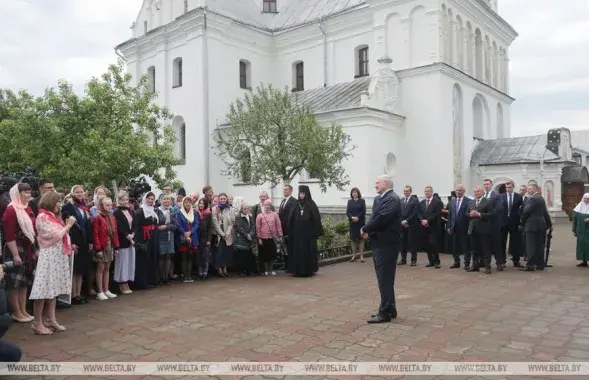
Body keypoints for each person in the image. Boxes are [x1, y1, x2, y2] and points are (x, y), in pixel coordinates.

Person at [30, 191, 75, 334]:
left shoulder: (53, 217)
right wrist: (68, 225)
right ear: (50, 202)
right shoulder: (42, 217)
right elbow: (56, 235)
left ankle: (51, 319)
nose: (59, 205)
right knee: (43, 289)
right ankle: (37, 323)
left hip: (57, 256)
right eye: (57, 202)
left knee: (53, 289)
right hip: (48, 256)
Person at [360, 175, 401, 324]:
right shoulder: (380, 199)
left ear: (386, 183)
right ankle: (390, 307)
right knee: (385, 278)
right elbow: (374, 217)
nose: (375, 184)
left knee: (385, 277)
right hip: (379, 242)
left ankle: (385, 312)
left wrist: (365, 228)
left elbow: (382, 218)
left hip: (387, 243)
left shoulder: (392, 199)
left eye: (378, 182)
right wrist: (368, 230)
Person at [2, 183, 36, 323]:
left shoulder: (27, 208)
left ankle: (23, 310)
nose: (29, 194)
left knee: (24, 282)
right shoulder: (11, 210)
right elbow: (9, 235)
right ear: (17, 193)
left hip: (27, 248)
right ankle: (16, 312)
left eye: (29, 192)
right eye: (25, 192)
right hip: (15, 248)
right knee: (14, 283)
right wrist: (15, 254)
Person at [61, 185, 93, 305]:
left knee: (81, 270)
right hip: (75, 241)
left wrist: (90, 241)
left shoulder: (84, 207)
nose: (80, 194)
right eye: (77, 192)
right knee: (74, 269)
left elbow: (88, 225)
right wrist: (71, 242)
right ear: (73, 193)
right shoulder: (67, 207)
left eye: (81, 192)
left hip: (84, 240)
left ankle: (78, 293)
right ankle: (72, 295)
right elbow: (67, 225)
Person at [287, 185, 323, 277]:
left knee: (307, 251)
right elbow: (291, 218)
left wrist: (315, 231)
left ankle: (308, 270)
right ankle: (297, 270)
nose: (301, 195)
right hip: (297, 233)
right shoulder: (295, 204)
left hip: (308, 234)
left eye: (303, 194)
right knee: (297, 251)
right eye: (300, 194)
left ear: (306, 194)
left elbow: (316, 218)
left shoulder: (311, 204)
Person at [92, 197, 119, 300]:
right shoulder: (97, 218)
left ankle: (106, 289)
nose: (109, 207)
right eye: (106, 205)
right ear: (101, 206)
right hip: (102, 246)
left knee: (107, 268)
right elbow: (95, 235)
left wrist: (117, 246)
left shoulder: (112, 217)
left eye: (110, 205)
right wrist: (98, 249)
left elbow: (115, 233)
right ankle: (100, 291)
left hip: (110, 246)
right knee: (100, 269)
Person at [520, 184, 550, 272]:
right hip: (541, 224)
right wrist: (549, 224)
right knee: (539, 245)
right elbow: (545, 212)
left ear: (534, 189)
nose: (527, 191)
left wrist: (522, 222)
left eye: (529, 189)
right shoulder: (541, 198)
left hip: (531, 225)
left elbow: (526, 211)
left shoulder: (532, 198)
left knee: (531, 246)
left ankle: (530, 265)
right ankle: (540, 264)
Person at [133, 192, 160, 289]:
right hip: (143, 239)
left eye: (152, 199)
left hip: (152, 237)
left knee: (151, 259)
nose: (150, 201)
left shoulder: (153, 211)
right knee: (143, 260)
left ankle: (150, 280)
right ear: (145, 199)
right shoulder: (139, 212)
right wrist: (138, 241)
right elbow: (136, 227)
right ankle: (142, 283)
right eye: (149, 198)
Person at [467, 186, 495, 274]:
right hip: (473, 229)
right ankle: (475, 265)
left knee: (485, 249)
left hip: (484, 229)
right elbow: (466, 213)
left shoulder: (488, 201)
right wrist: (470, 214)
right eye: (474, 192)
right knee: (474, 249)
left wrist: (479, 214)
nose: (476, 193)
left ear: (482, 192)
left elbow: (491, 214)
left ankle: (487, 266)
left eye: (478, 191)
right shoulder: (471, 202)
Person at [113, 193, 135, 294]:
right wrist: (126, 235)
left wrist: (133, 233)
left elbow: (134, 224)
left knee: (129, 262)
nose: (126, 202)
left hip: (130, 240)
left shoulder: (130, 211)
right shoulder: (116, 212)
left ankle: (127, 281)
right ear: (119, 201)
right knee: (122, 262)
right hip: (122, 241)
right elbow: (119, 227)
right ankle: (121, 281)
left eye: (127, 200)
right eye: (123, 200)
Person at [417, 186, 443, 268]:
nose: (426, 193)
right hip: (424, 226)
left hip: (433, 226)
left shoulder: (437, 202)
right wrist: (422, 220)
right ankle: (430, 261)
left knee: (433, 243)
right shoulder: (421, 203)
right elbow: (419, 213)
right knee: (427, 244)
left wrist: (428, 221)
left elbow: (437, 213)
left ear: (431, 192)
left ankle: (437, 261)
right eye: (425, 191)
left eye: (428, 191)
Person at [256, 199, 283, 276]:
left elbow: (278, 225)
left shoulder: (275, 214)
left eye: (268, 205)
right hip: (263, 238)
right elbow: (258, 227)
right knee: (264, 255)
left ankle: (271, 269)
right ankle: (265, 270)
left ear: (270, 206)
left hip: (273, 237)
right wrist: (259, 238)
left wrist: (280, 235)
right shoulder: (259, 216)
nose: (267, 206)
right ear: (263, 206)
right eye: (265, 205)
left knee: (272, 254)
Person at [177, 196, 199, 283]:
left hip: (193, 236)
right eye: (186, 202)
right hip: (183, 237)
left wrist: (191, 232)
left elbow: (196, 223)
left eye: (189, 202)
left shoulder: (194, 212)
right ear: (183, 203)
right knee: (184, 256)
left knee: (190, 256)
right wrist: (185, 234)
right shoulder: (179, 212)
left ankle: (189, 275)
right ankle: (184, 276)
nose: (188, 203)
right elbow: (178, 224)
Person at [501, 181, 524, 267]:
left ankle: (516, 261)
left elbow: (521, 210)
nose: (508, 189)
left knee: (515, 242)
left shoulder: (518, 197)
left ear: (513, 187)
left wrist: (520, 222)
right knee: (502, 242)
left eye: (509, 187)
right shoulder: (501, 196)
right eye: (506, 188)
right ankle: (502, 261)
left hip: (515, 223)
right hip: (503, 223)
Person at [447, 185, 469, 269]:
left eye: (460, 190)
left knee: (465, 247)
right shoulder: (452, 201)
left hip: (464, 228)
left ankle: (466, 263)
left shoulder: (468, 201)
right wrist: (449, 226)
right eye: (457, 190)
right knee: (454, 247)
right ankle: (456, 262)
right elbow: (450, 215)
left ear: (464, 191)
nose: (458, 192)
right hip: (453, 228)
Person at [156, 195, 177, 284]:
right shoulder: (156, 210)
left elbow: (175, 225)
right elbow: (155, 224)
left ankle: (166, 278)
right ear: (161, 200)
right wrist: (159, 227)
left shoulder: (173, 210)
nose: (166, 200)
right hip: (160, 236)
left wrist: (166, 226)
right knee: (161, 256)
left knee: (168, 255)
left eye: (168, 199)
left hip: (169, 235)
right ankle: (161, 277)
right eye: (164, 199)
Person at [212, 194, 234, 278]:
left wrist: (227, 234)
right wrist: (222, 234)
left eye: (224, 199)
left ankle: (225, 268)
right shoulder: (215, 209)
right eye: (221, 199)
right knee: (219, 253)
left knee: (226, 252)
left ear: (226, 199)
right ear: (218, 199)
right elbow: (215, 223)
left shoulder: (229, 209)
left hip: (227, 235)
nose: (222, 200)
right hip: (218, 234)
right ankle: (219, 269)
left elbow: (231, 222)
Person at [234, 202, 258, 276]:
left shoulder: (250, 216)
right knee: (242, 256)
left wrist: (250, 234)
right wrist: (246, 235)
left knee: (249, 256)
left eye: (247, 208)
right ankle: (241, 271)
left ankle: (249, 271)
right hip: (242, 239)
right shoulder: (238, 217)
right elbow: (239, 227)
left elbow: (254, 226)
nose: (246, 210)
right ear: (241, 209)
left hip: (250, 239)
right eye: (244, 209)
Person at [398, 186, 419, 266]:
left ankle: (413, 260)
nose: (405, 192)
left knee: (412, 242)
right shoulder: (401, 200)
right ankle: (403, 259)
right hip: (402, 225)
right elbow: (399, 212)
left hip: (411, 224)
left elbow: (415, 213)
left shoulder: (415, 200)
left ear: (410, 192)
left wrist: (406, 221)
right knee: (403, 242)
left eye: (407, 191)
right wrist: (401, 221)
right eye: (404, 191)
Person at [278, 185, 296, 270]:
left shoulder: (294, 201)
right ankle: (286, 264)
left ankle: (291, 265)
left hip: (289, 229)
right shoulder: (282, 201)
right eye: (283, 189)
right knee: (283, 248)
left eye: (286, 190)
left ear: (291, 191)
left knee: (289, 247)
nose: (284, 191)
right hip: (282, 229)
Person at [347, 187, 366, 263]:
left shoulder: (362, 201)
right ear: (351, 194)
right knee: (353, 239)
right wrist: (352, 217)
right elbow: (347, 212)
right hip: (352, 223)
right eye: (353, 192)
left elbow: (363, 211)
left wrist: (357, 217)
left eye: (356, 192)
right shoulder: (349, 202)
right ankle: (354, 255)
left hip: (360, 222)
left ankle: (361, 256)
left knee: (361, 239)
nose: (354, 193)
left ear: (358, 193)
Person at [196, 198, 213, 279]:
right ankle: (200, 272)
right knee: (199, 256)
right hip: (198, 237)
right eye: (200, 203)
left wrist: (209, 240)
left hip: (205, 237)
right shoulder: (196, 212)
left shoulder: (209, 214)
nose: (201, 205)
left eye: (203, 203)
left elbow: (210, 228)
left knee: (205, 256)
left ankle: (205, 273)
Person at [573, 194, 589, 267]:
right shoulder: (578, 208)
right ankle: (584, 261)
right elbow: (575, 220)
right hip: (581, 231)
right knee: (581, 246)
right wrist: (574, 230)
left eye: (588, 199)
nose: (586, 200)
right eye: (585, 198)